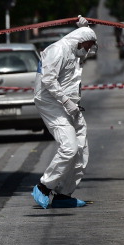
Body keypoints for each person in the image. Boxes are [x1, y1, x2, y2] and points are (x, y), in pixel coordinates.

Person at [32, 16, 97, 209]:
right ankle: (44, 187)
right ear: (79, 40)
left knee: (81, 150)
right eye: (87, 45)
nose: (87, 49)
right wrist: (66, 101)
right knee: (69, 147)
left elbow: (82, 40)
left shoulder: (74, 50)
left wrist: (85, 28)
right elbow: (48, 81)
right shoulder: (57, 50)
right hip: (51, 104)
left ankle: (63, 194)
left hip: (70, 105)